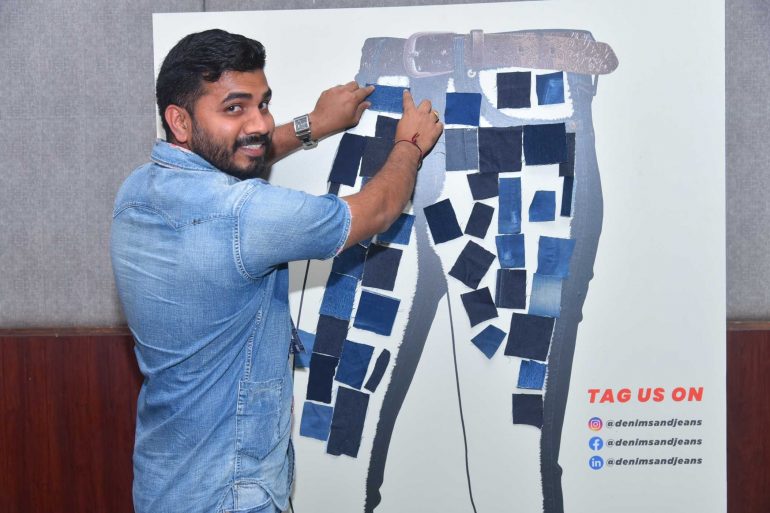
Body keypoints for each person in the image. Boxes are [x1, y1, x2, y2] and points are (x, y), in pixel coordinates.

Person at [110, 29, 442, 513]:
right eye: (234, 108)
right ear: (179, 120)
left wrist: (313, 126)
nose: (260, 124)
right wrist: (410, 144)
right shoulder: (245, 214)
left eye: (263, 104)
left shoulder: (135, 193)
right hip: (233, 497)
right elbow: (377, 210)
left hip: (165, 486)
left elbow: (232, 156)